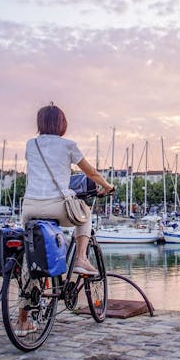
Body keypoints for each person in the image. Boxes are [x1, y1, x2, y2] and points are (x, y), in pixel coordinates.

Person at [21, 103, 114, 276]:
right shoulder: (68, 145)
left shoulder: (31, 144)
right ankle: (80, 259)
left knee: (33, 249)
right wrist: (107, 187)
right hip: (55, 207)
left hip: (29, 208)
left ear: (39, 123)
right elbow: (91, 173)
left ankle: (27, 295)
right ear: (62, 124)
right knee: (85, 214)